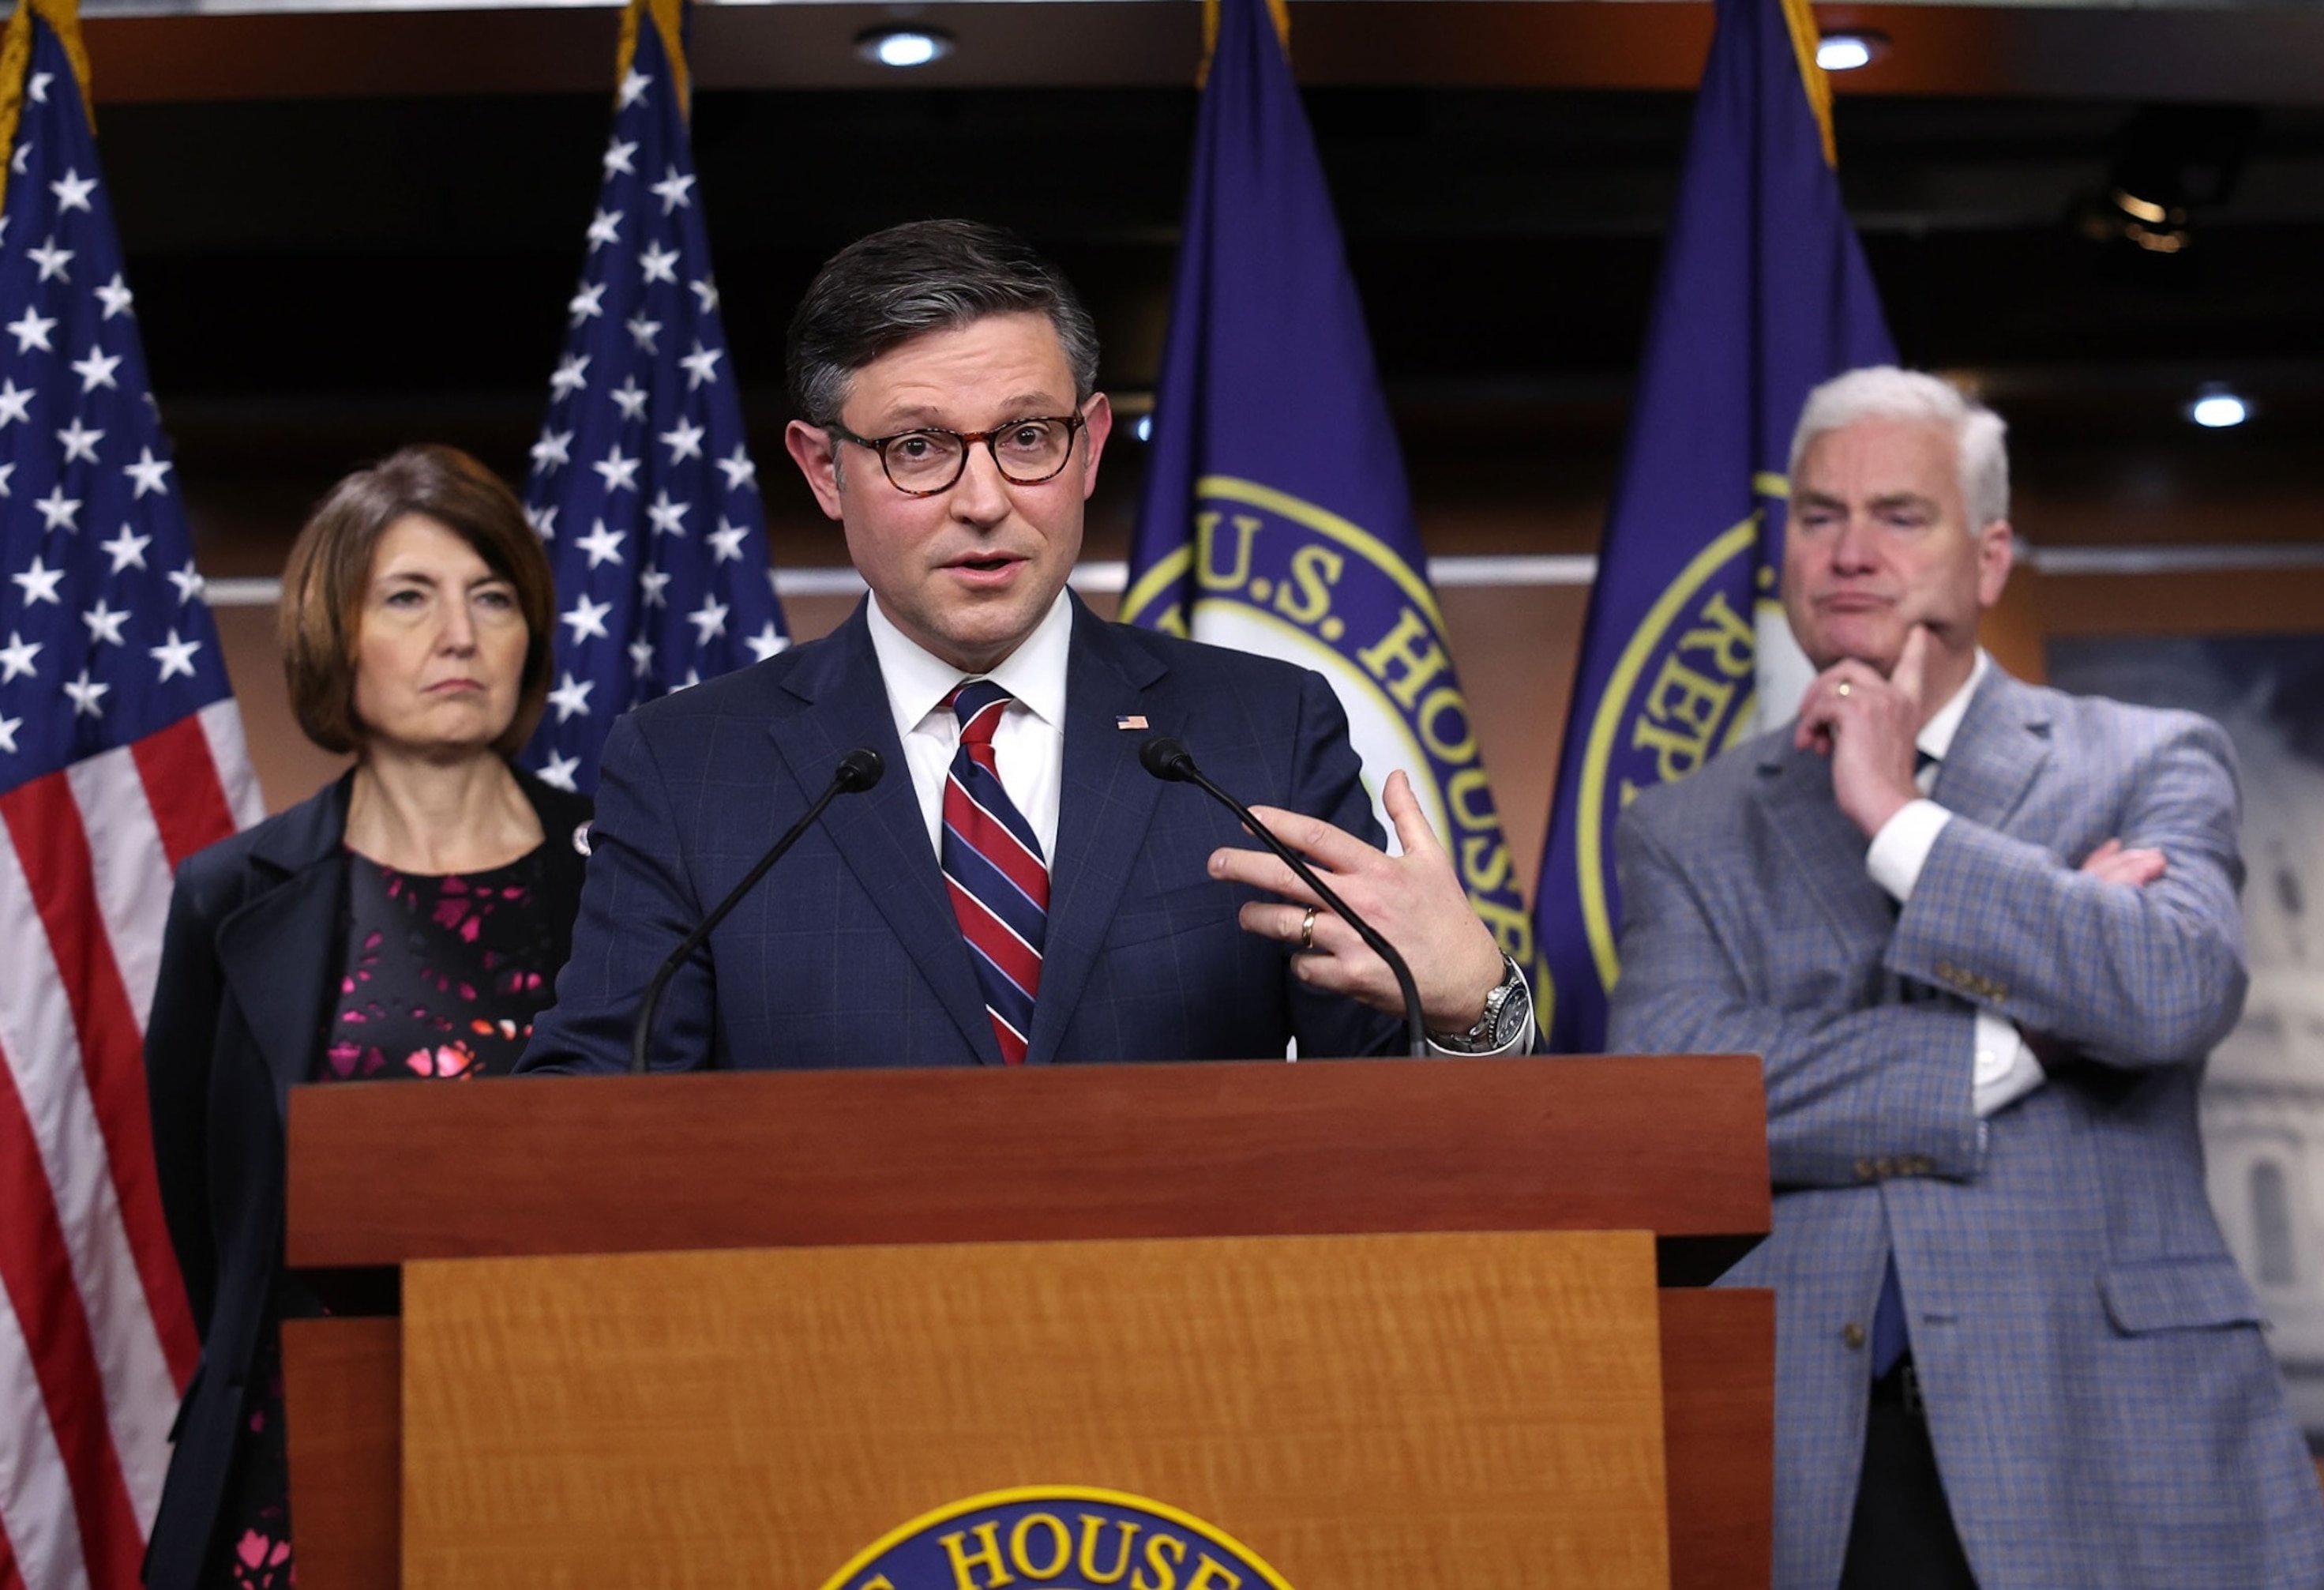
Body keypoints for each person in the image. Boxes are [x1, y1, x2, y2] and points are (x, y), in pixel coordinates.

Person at [1605, 369, 2324, 1589]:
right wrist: (2017, 1044)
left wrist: (1899, 823)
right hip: (1811, 1463)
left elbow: (2170, 990)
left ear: (1990, 558)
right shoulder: (1684, 827)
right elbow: (1675, 1098)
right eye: (1818, 515)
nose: (1850, 552)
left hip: (2110, 1430)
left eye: (1900, 516)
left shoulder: (2147, 758)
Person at [519, 219, 1530, 1075]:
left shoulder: (1259, 730)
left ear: (1089, 445)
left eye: (1026, 438)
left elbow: (1392, 1115)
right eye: (918, 448)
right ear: (824, 470)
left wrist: (1467, 1003)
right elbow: (590, 1109)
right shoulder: (694, 765)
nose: (985, 501)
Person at [141, 447, 591, 1590]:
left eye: (493, 598)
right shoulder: (230, 894)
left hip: (574, 1435)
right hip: (302, 1450)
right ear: (335, 637)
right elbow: (213, 1219)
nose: (461, 634)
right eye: (409, 597)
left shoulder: (630, 875)